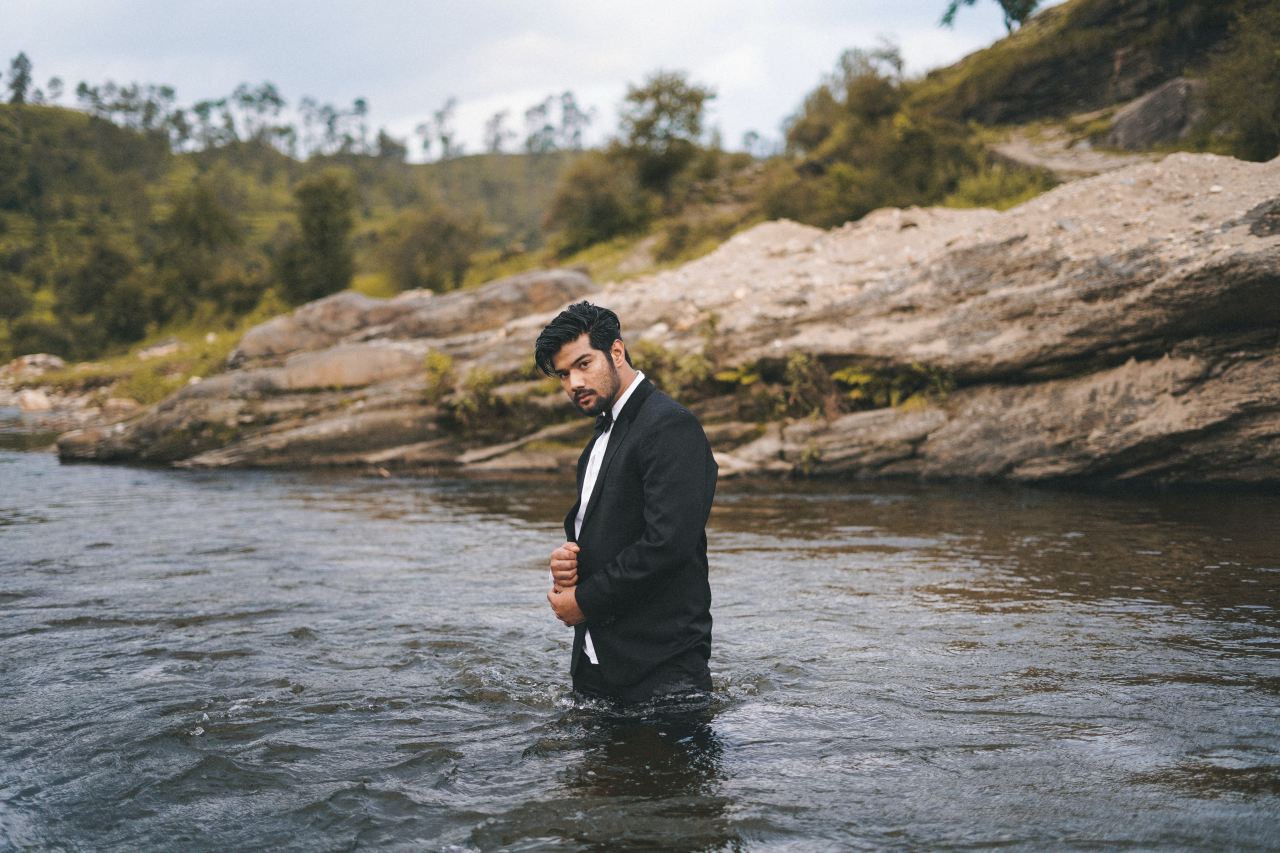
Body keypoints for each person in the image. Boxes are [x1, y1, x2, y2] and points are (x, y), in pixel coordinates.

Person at [534, 302, 717, 706]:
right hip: (599, 663)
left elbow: (667, 545)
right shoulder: (601, 437)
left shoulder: (670, 426)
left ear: (616, 352)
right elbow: (611, 531)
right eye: (564, 374)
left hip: (661, 674)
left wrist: (582, 602)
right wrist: (569, 561)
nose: (574, 382)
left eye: (584, 364)